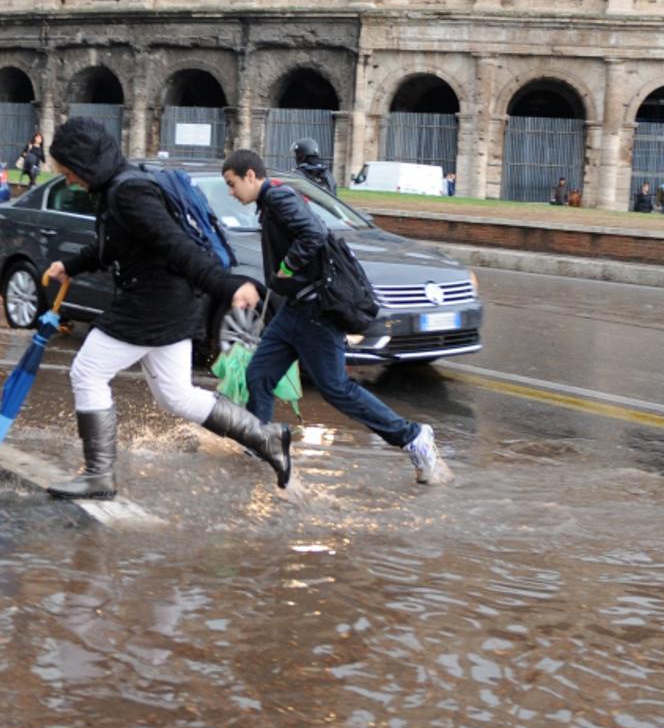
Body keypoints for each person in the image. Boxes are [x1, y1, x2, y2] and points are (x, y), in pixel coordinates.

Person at [42, 118, 293, 498]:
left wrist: (227, 285)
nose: (68, 179)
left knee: (87, 372)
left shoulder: (129, 193)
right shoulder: (120, 187)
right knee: (175, 394)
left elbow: (176, 246)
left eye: (68, 170)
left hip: (152, 303)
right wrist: (71, 266)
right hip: (171, 304)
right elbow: (113, 247)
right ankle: (266, 438)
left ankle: (99, 475)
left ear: (85, 162)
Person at [222, 149, 453, 485]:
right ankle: (262, 444)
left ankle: (414, 437)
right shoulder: (271, 202)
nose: (231, 192)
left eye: (232, 184)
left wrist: (287, 267)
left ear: (251, 176)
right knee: (259, 373)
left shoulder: (279, 199)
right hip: (294, 312)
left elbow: (313, 234)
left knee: (336, 388)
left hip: (315, 311)